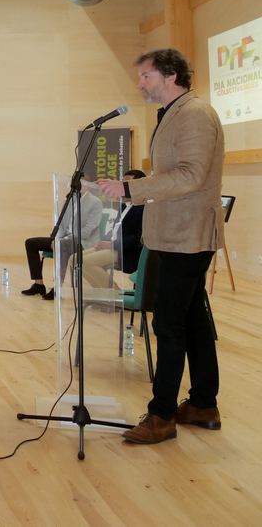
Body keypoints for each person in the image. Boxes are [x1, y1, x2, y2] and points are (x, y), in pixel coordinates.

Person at [97, 49, 225, 445]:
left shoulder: (195, 114)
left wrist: (130, 188)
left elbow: (190, 175)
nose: (140, 83)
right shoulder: (174, 113)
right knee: (193, 320)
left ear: (171, 76)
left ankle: (162, 416)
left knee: (168, 324)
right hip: (175, 234)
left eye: (146, 76)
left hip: (187, 236)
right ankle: (203, 404)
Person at [20, 189, 103, 300]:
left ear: (87, 185)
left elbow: (89, 229)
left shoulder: (95, 202)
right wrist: (57, 238)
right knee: (31, 243)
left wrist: (66, 239)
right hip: (63, 239)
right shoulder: (70, 199)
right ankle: (38, 284)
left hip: (83, 242)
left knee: (62, 245)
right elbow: (62, 225)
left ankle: (57, 287)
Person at [81, 170, 146, 288]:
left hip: (128, 252)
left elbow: (139, 238)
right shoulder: (123, 205)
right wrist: (105, 242)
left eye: (127, 184)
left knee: (85, 262)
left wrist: (112, 244)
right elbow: (116, 230)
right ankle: (103, 292)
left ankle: (114, 294)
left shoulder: (144, 207)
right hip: (113, 246)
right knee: (75, 259)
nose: (123, 187)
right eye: (122, 183)